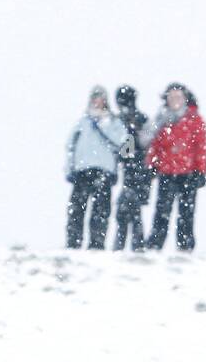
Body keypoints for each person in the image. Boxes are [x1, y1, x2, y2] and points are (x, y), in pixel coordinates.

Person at [144, 83, 206, 251]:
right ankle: (155, 245)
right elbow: (155, 145)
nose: (175, 100)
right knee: (162, 212)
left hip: (188, 174)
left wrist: (200, 171)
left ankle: (185, 246)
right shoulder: (162, 120)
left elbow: (201, 147)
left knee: (186, 214)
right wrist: (152, 165)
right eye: (171, 97)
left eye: (178, 97)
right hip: (167, 172)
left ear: (185, 99)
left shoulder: (195, 120)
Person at [65, 86, 128, 250]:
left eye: (99, 98)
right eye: (94, 98)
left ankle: (97, 243)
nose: (96, 101)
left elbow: (124, 144)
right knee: (77, 209)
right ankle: (73, 242)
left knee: (101, 210)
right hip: (82, 171)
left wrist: (104, 125)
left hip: (104, 170)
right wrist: (69, 169)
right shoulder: (82, 123)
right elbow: (70, 146)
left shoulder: (114, 122)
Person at [112, 85, 151, 251]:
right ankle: (136, 244)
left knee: (128, 207)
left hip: (134, 167)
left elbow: (128, 146)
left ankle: (126, 244)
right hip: (140, 167)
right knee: (133, 208)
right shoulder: (140, 118)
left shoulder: (127, 120)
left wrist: (125, 154)